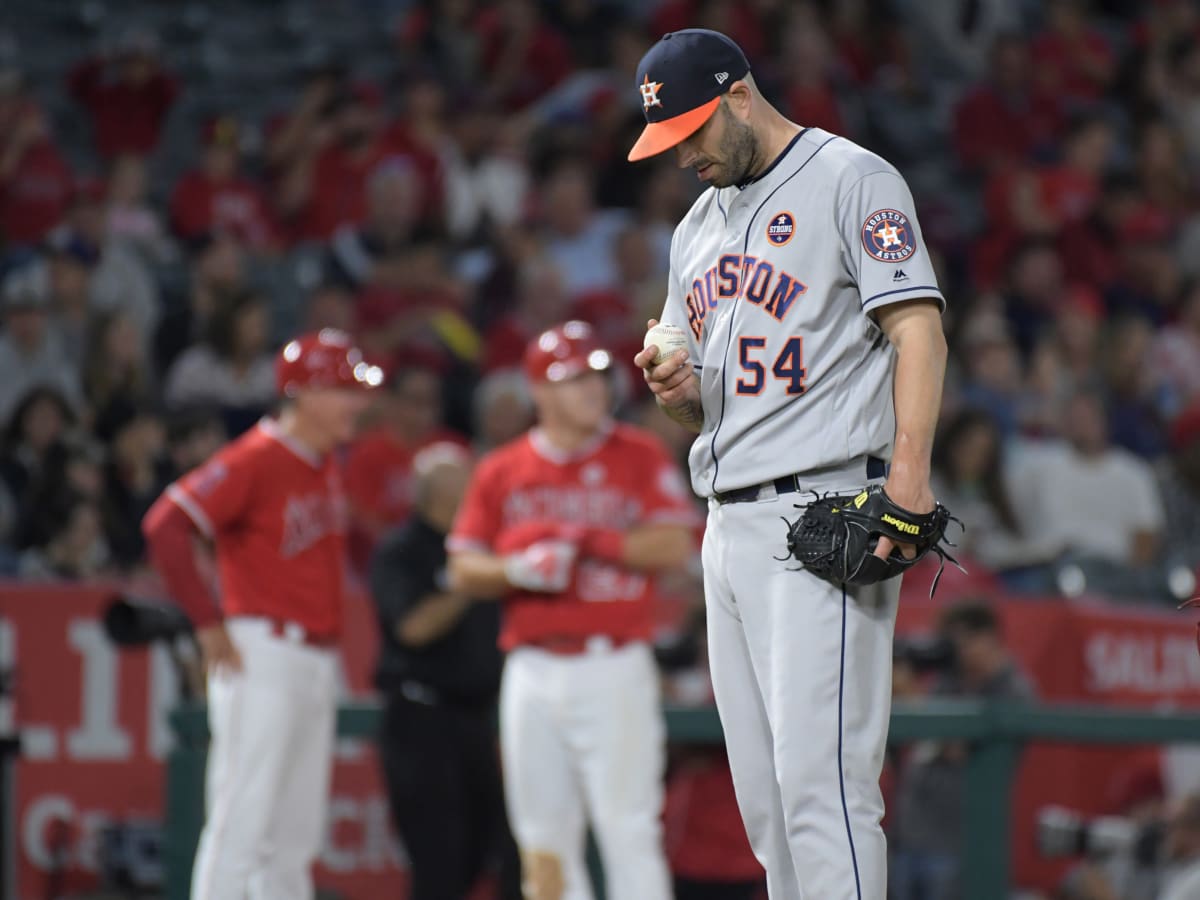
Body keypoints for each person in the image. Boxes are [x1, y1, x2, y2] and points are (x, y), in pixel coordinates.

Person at [630, 29, 948, 899]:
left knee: (825, 791)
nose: (684, 155)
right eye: (667, 141)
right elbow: (698, 389)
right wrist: (677, 387)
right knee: (766, 806)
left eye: (692, 131)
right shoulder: (697, 224)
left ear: (738, 95)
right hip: (725, 521)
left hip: (825, 507)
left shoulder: (852, 178)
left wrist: (908, 487)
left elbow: (917, 328)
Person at [447, 320, 696, 900]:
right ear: (539, 391)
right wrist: (514, 570)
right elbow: (462, 566)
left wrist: (583, 538)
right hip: (532, 668)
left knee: (628, 829)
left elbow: (673, 544)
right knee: (542, 838)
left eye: (598, 377)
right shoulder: (503, 468)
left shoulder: (635, 452)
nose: (592, 390)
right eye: (573, 379)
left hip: (613, 662)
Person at [141, 329, 382, 900]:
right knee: (241, 824)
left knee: (295, 838)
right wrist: (206, 619)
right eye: (346, 391)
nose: (358, 404)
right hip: (262, 650)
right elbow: (166, 525)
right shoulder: (256, 456)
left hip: (312, 655)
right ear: (306, 393)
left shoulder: (322, 460)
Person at [369, 442, 520, 900]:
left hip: (474, 722)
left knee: (489, 854)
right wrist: (468, 582)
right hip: (420, 721)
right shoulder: (401, 551)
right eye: (468, 482)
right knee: (439, 864)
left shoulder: (481, 550)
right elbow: (413, 627)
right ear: (437, 492)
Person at [891, 600, 1036, 900]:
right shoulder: (948, 680)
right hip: (910, 834)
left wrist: (913, 698)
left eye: (959, 641)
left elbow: (966, 749)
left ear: (987, 638)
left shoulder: (1013, 688)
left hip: (960, 841)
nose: (955, 651)